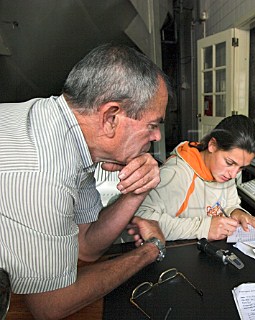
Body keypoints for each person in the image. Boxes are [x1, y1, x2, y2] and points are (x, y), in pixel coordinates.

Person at [0, 43, 170, 319]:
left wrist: (138, 191)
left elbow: (87, 246)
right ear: (111, 117)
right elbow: (51, 305)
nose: (157, 137)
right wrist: (150, 251)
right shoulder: (44, 174)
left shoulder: (64, 132)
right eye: (152, 125)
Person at [135, 115, 255, 241]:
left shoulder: (224, 172)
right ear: (212, 145)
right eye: (229, 162)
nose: (233, 174)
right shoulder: (176, 173)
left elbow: (229, 204)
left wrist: (238, 213)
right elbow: (142, 218)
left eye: (241, 168)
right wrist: (204, 228)